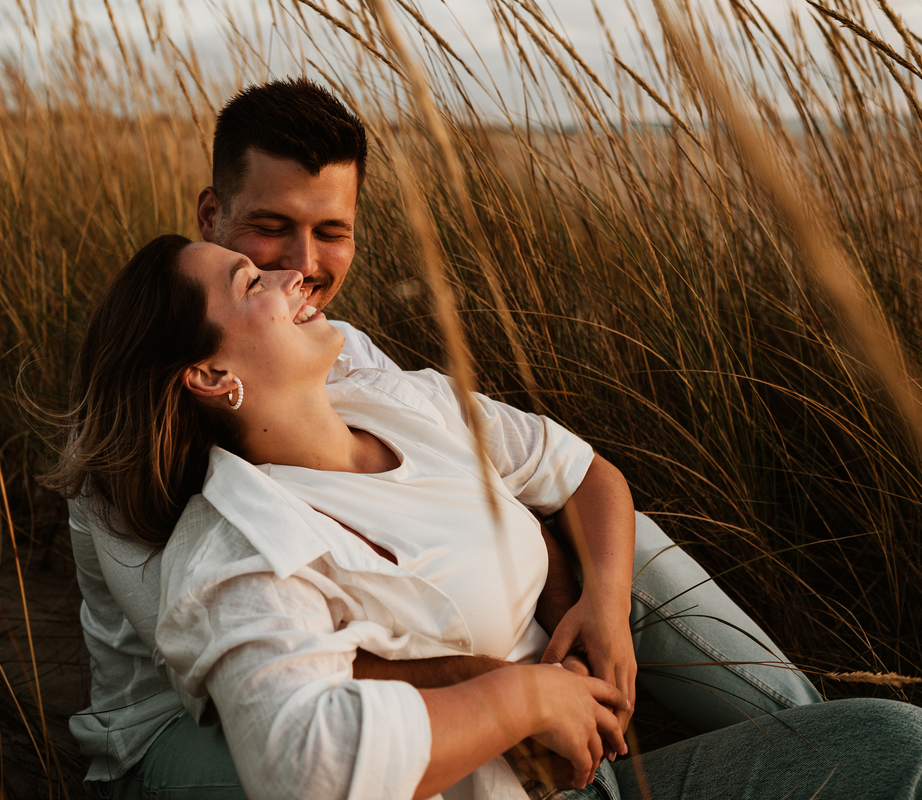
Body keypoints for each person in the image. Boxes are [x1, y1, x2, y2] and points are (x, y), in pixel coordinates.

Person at [52, 79, 822, 799]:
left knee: (620, 548)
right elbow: (295, 667)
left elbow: (509, 474)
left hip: (401, 665)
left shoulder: (343, 355)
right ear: (213, 215)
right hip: (197, 724)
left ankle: (806, 736)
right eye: (271, 229)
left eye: (332, 232)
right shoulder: (129, 449)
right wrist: (521, 690)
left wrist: (589, 607)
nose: (304, 267)